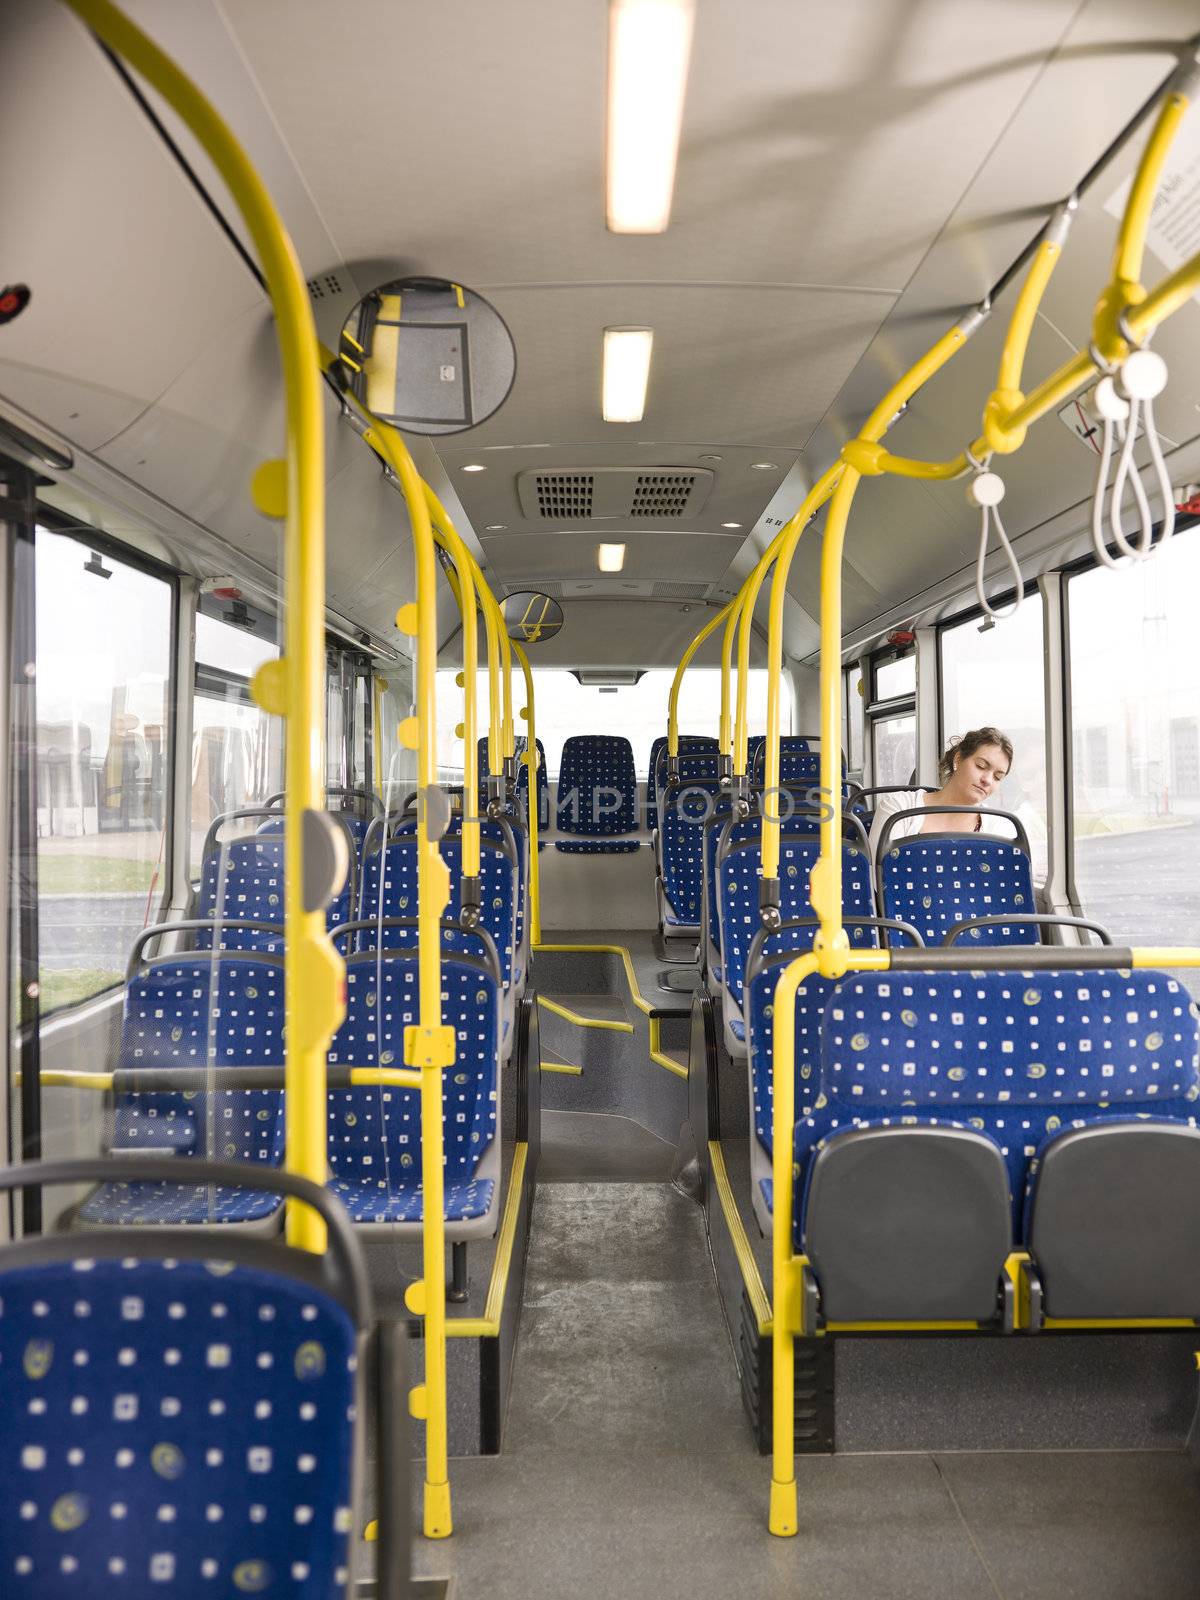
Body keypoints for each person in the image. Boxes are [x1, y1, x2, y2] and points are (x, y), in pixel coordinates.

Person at [868, 727, 1015, 856]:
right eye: (981, 766)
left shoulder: (999, 826)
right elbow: (880, 878)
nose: (988, 780)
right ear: (958, 760)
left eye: (997, 777)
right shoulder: (898, 808)